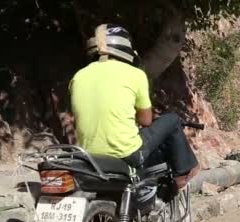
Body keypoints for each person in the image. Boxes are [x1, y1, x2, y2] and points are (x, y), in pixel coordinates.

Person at [69, 24, 199, 189]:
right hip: (127, 153)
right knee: (172, 120)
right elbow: (146, 121)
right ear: (125, 48)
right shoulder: (135, 74)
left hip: (89, 155)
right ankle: (184, 173)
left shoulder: (78, 77)